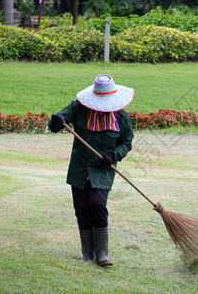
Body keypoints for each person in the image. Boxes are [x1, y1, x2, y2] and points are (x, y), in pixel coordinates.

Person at [48, 74, 134, 266]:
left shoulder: (121, 117)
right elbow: (55, 125)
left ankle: (102, 253)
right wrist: (56, 120)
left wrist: (114, 155)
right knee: (81, 208)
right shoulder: (78, 108)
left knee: (96, 204)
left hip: (103, 169)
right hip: (79, 167)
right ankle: (87, 254)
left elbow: (127, 143)